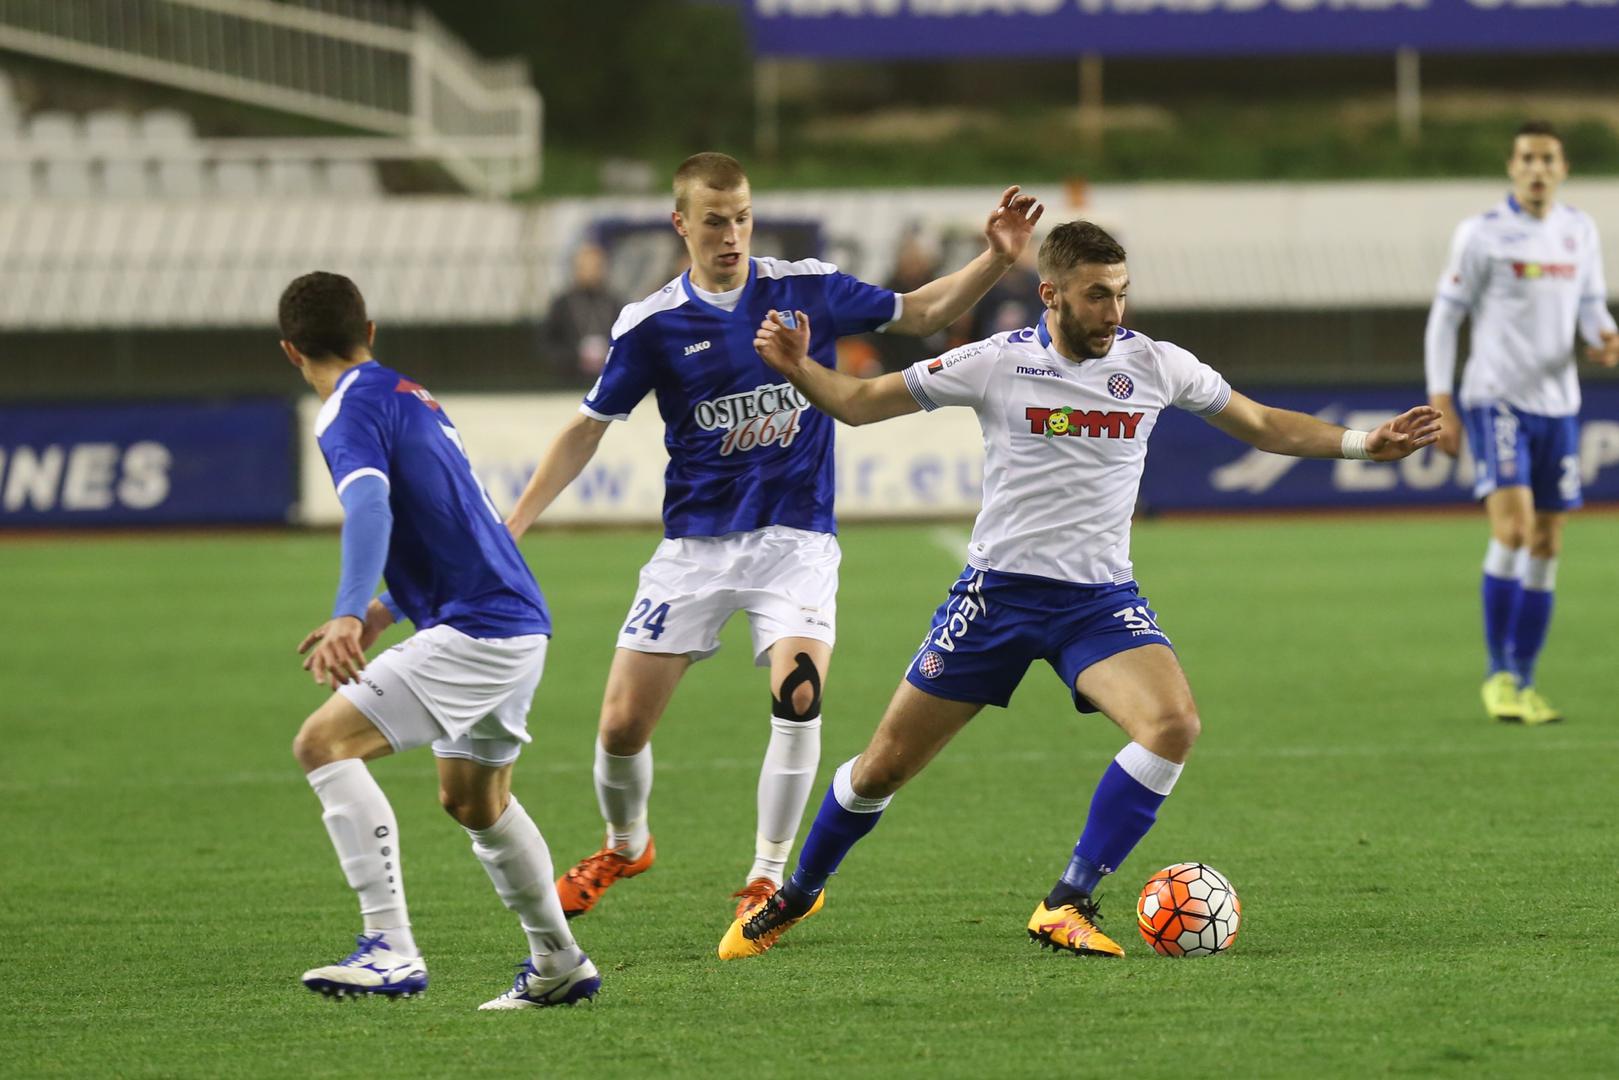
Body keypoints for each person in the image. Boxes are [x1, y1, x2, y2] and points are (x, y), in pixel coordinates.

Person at [718, 221, 1440, 960]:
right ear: (1051, 294)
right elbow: (861, 402)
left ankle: (1066, 901)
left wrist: (1362, 444)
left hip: (1097, 603)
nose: (1113, 312)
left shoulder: (1155, 364)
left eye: (1121, 294)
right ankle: (798, 891)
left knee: (1172, 726)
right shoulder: (995, 361)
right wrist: (800, 367)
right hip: (996, 600)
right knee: (882, 768)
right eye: (1097, 295)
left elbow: (1259, 423)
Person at [505, 152, 1043, 922]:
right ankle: (625, 845)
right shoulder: (652, 325)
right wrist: (515, 524)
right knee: (620, 726)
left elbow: (920, 313)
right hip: (694, 548)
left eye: (742, 218)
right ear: (680, 223)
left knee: (798, 694)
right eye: (713, 221)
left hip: (795, 540)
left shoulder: (805, 288)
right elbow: (586, 430)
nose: (730, 235)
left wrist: (995, 258)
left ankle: (767, 877)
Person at [280, 271, 598, 1010]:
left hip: (478, 630)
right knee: (474, 802)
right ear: (370, 332)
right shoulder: (410, 394)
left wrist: (347, 612)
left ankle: (388, 946)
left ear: (291, 351)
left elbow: (370, 507)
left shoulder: (345, 412)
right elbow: (465, 522)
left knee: (322, 744)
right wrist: (386, 608)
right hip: (515, 622)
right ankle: (559, 962)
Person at [1424, 120, 1619, 726]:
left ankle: (1526, 680)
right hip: (1496, 398)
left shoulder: (1579, 230)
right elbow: (1445, 317)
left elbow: (1591, 306)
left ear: (1563, 169)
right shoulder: (1482, 234)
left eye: (1548, 159)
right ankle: (1498, 674)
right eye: (1527, 159)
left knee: (1548, 542)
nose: (1538, 169)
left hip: (1559, 406)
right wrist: (1442, 399)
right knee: (1513, 530)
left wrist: (1605, 337)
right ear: (1512, 168)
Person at [543, 242, 622, 383]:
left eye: (595, 267)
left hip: (608, 379)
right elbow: (549, 343)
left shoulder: (614, 303)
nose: (590, 272)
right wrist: (575, 356)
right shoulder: (562, 304)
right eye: (585, 267)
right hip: (570, 379)